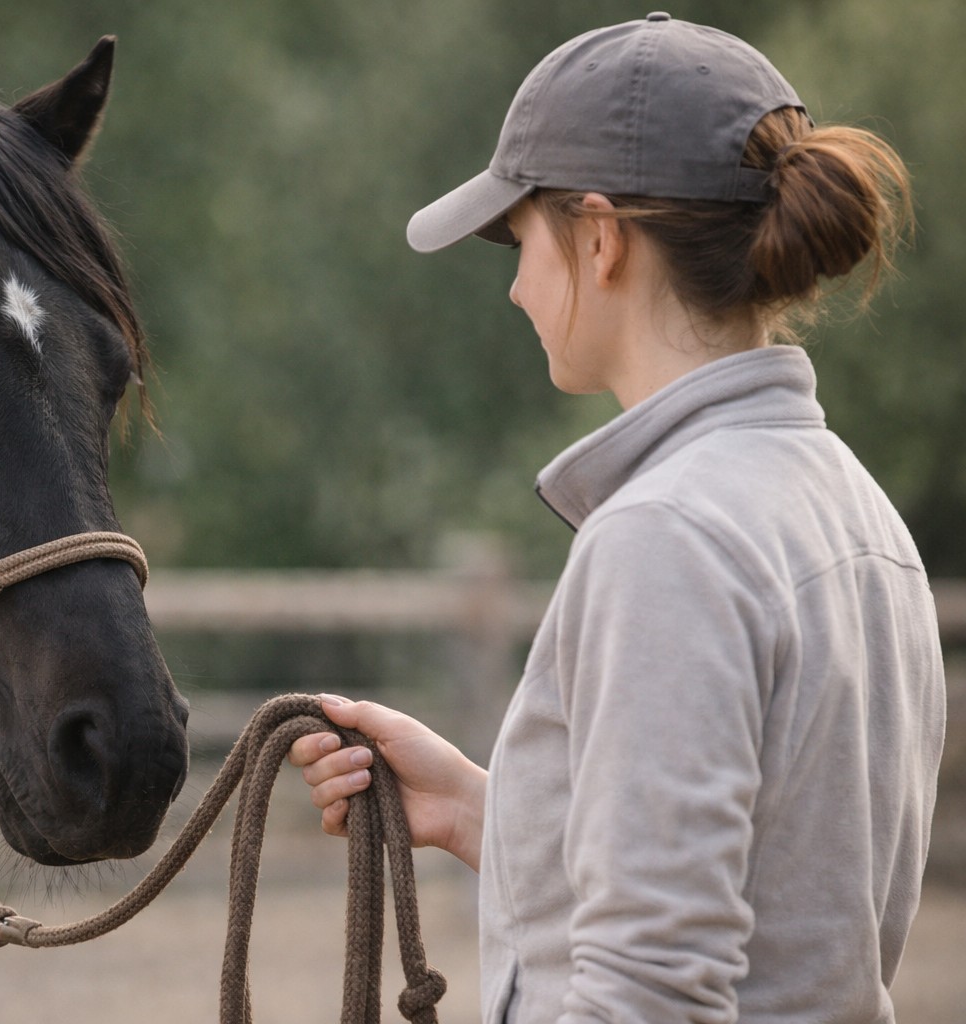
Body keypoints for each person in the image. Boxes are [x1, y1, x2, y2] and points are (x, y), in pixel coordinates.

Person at [288, 13, 946, 1024]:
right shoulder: (853, 510)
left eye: (520, 241)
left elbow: (652, 989)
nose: (514, 287)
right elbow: (781, 884)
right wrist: (477, 806)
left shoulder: (668, 536)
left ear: (598, 238)